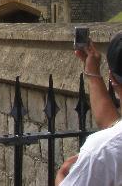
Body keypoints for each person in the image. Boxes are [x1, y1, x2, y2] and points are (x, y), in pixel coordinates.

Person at [56, 32, 122, 185]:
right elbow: (114, 126)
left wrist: (61, 176)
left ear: (112, 78)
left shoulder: (100, 151)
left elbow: (113, 139)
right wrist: (93, 73)